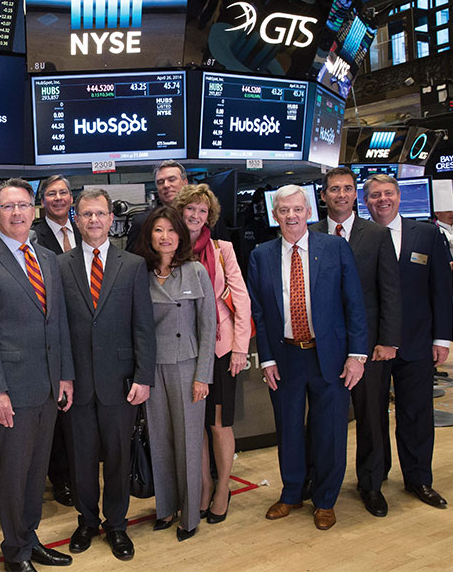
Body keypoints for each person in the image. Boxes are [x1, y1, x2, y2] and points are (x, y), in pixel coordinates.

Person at [0, 178, 75, 572]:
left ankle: (30, 538)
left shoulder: (47, 258)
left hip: (47, 385)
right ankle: (15, 552)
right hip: (12, 389)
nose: (17, 213)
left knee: (35, 472)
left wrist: (65, 375)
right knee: (12, 474)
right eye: (8, 206)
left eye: (23, 205)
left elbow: (57, 321)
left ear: (34, 210)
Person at [248, 185, 367, 531]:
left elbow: (354, 304)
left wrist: (357, 355)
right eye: (284, 210)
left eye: (297, 209)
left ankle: (326, 500)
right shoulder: (261, 255)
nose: (291, 216)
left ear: (309, 211)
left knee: (330, 430)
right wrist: (267, 360)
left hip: (328, 355)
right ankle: (291, 493)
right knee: (288, 429)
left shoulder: (334, 248)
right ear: (275, 215)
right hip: (285, 356)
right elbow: (260, 314)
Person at [59, 188, 156, 560]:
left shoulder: (131, 266)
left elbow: (143, 328)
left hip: (121, 383)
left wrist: (143, 377)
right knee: (81, 458)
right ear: (76, 219)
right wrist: (63, 377)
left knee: (117, 457)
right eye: (86, 215)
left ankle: (117, 524)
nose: (94, 220)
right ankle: (86, 521)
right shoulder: (60, 265)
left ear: (110, 219)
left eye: (100, 213)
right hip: (78, 384)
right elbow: (58, 329)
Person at [309, 167, 401, 517]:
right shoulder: (310, 232)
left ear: (354, 195)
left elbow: (390, 290)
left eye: (347, 189)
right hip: (323, 347)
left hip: (370, 345)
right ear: (323, 195)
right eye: (334, 189)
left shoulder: (376, 235)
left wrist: (389, 339)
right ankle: (317, 480)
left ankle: (372, 484)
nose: (341, 195)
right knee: (323, 418)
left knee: (372, 416)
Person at [363, 173, 452, 509]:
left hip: (417, 342)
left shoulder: (427, 235)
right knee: (372, 416)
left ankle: (419, 479)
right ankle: (373, 479)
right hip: (373, 346)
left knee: (416, 414)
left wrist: (442, 338)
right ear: (366, 201)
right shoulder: (359, 237)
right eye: (374, 195)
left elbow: (441, 289)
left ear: (399, 197)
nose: (381, 200)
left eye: (387, 193)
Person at [133, 206, 216, 541]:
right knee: (160, 440)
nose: (164, 236)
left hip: (187, 365)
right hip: (153, 367)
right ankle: (165, 508)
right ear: (149, 236)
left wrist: (203, 376)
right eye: (157, 230)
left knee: (189, 442)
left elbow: (208, 326)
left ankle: (190, 516)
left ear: (180, 235)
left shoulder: (195, 271)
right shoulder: (141, 273)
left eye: (171, 230)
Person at [174, 184, 252, 525]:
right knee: (197, 425)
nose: (195, 215)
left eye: (202, 211)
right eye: (190, 209)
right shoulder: (170, 246)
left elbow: (241, 299)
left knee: (219, 423)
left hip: (220, 349)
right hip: (185, 349)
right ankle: (204, 485)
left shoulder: (223, 250)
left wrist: (240, 348)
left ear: (210, 216)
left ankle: (223, 489)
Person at [30, 174, 79, 506]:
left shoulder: (86, 229)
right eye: (51, 193)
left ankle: (80, 474)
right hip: (51, 333)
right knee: (58, 414)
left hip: (85, 334)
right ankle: (60, 478)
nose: (58, 198)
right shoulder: (34, 237)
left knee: (79, 413)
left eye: (63, 192)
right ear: (42, 201)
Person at [125, 160, 188, 251]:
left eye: (172, 179)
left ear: (185, 182)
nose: (166, 185)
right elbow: (132, 261)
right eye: (160, 182)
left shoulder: (199, 219)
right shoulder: (142, 223)